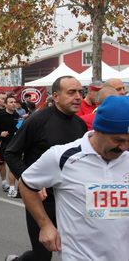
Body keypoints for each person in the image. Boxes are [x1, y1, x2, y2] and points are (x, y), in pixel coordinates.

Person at [18, 95, 129, 261]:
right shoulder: (62, 157)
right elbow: (26, 183)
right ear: (98, 131)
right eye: (117, 140)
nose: (124, 147)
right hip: (79, 256)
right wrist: (45, 225)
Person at [4, 76, 88, 261]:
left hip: (71, 200)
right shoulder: (37, 120)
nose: (77, 97)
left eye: (80, 92)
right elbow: (11, 153)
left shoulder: (80, 124)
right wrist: (31, 181)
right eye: (71, 92)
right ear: (56, 97)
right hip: (42, 200)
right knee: (42, 255)